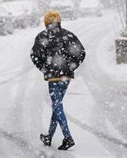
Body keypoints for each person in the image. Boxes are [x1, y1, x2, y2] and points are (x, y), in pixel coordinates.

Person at [30, 10, 86, 150]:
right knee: (57, 105)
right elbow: (81, 52)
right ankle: (49, 136)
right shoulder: (68, 35)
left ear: (46, 23)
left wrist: (44, 68)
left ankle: (68, 137)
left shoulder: (43, 37)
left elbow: (34, 55)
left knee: (57, 105)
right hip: (65, 76)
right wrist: (72, 66)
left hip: (54, 77)